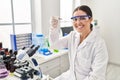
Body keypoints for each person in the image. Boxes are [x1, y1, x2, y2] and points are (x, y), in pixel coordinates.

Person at [49, 5, 108, 80]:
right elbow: (54, 45)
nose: (78, 22)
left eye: (83, 18)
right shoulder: (72, 36)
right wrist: (53, 28)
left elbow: (97, 76)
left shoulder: (99, 44)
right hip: (70, 76)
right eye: (75, 19)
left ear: (90, 19)